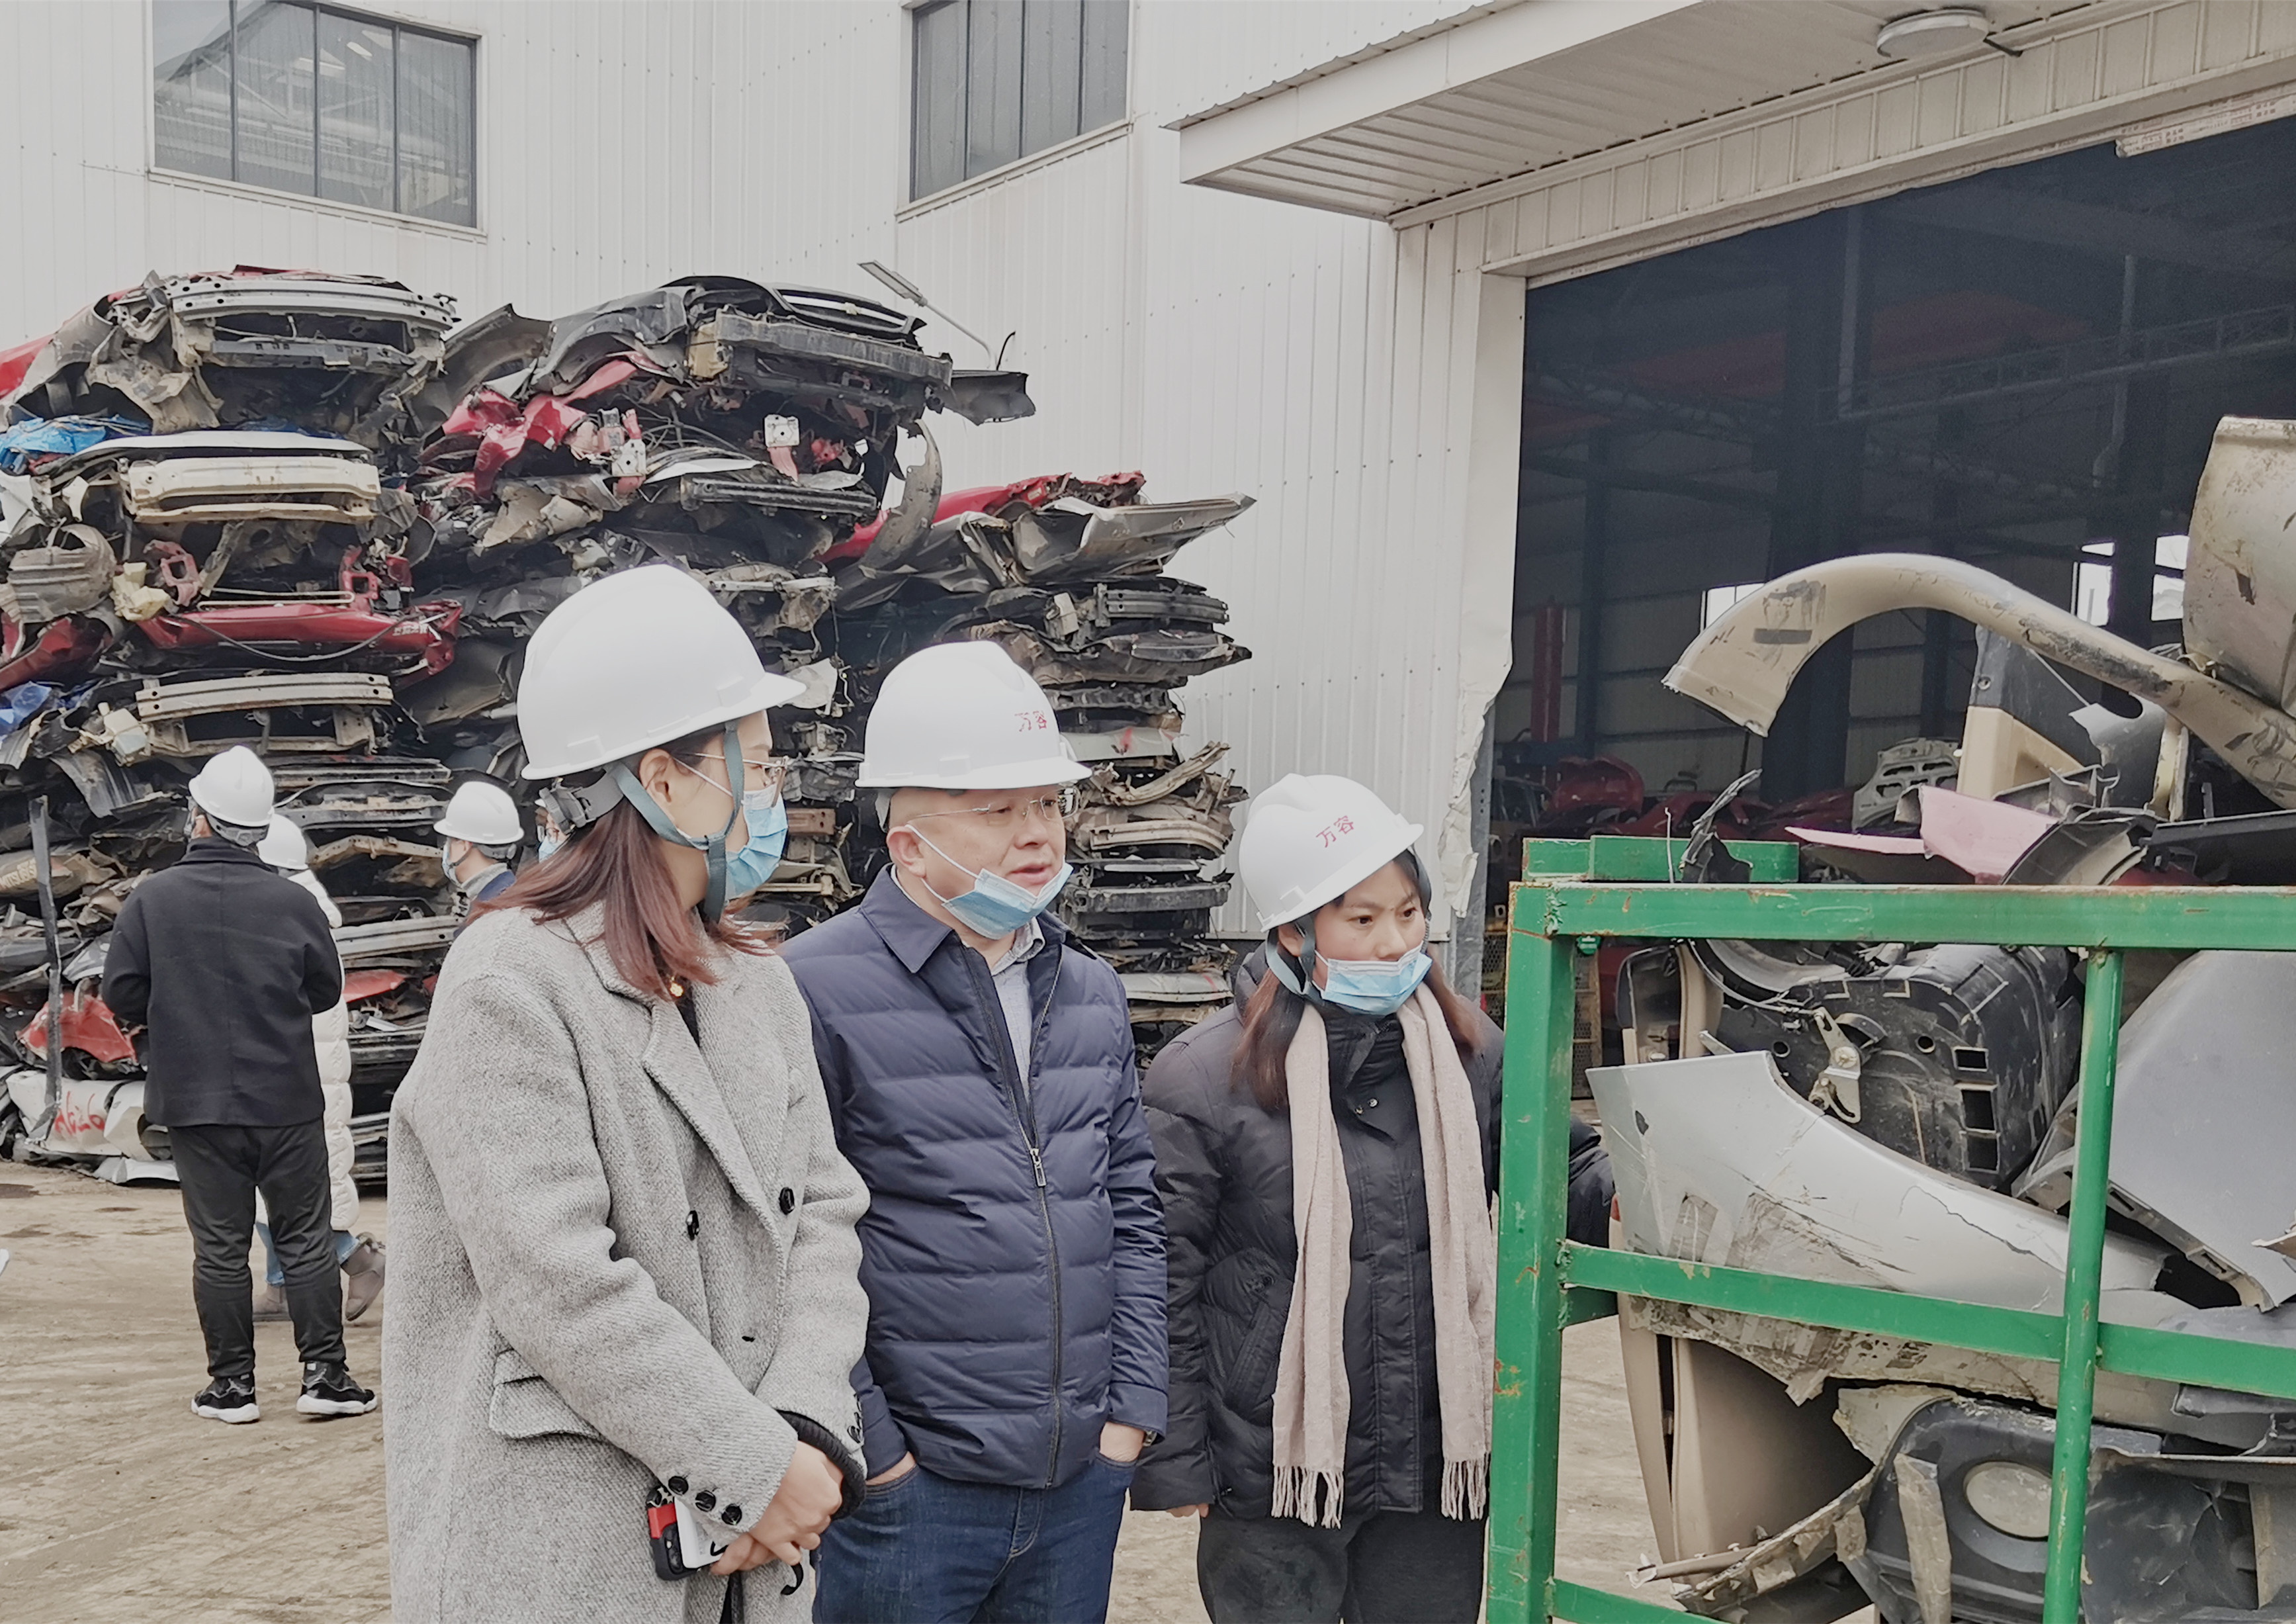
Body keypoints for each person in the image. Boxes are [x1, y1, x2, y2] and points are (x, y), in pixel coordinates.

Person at [384, 564, 870, 1624]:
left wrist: (803, 1426)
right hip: (571, 1550)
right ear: (664, 777)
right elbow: (557, 1279)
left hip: (754, 1547)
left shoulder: (755, 980)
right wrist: (753, 1467)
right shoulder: (511, 979)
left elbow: (824, 1215)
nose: (774, 793)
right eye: (759, 763)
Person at [1131, 774, 1603, 1624]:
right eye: (1360, 920)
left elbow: (1560, 1174)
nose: (1394, 944)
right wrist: (1177, 1460)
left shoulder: (1470, 1052)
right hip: (1271, 1467)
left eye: (1408, 913)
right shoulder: (1202, 1078)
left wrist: (1656, 1199)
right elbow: (1161, 1278)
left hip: (1432, 1458)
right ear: (1292, 931)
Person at [781, 641, 1167, 1624]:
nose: (1036, 834)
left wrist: (1127, 1415)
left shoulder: (1088, 989)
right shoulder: (810, 990)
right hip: (912, 1497)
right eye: (996, 811)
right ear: (909, 844)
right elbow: (786, 1244)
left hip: (1078, 1484)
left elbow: (1129, 1207)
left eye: (1047, 803)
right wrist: (876, 1457)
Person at [101, 745, 368, 1425]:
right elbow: (323, 990)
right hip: (285, 1100)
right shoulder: (293, 902)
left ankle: (232, 1388)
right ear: (260, 828)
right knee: (305, 1238)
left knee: (219, 1249)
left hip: (196, 1103)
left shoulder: (152, 900)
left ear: (198, 817)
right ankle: (326, 1378)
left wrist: (177, 1005)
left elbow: (122, 993)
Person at [249, 815, 384, 1325]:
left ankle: (359, 1259)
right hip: (295, 1068)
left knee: (286, 1190)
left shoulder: (289, 916)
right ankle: (283, 1285)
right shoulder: (297, 910)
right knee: (272, 1188)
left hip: (296, 1072)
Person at [434, 778, 523, 909]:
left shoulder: (489, 910)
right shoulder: (514, 893)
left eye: (450, 842)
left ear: (464, 846)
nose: (445, 849)